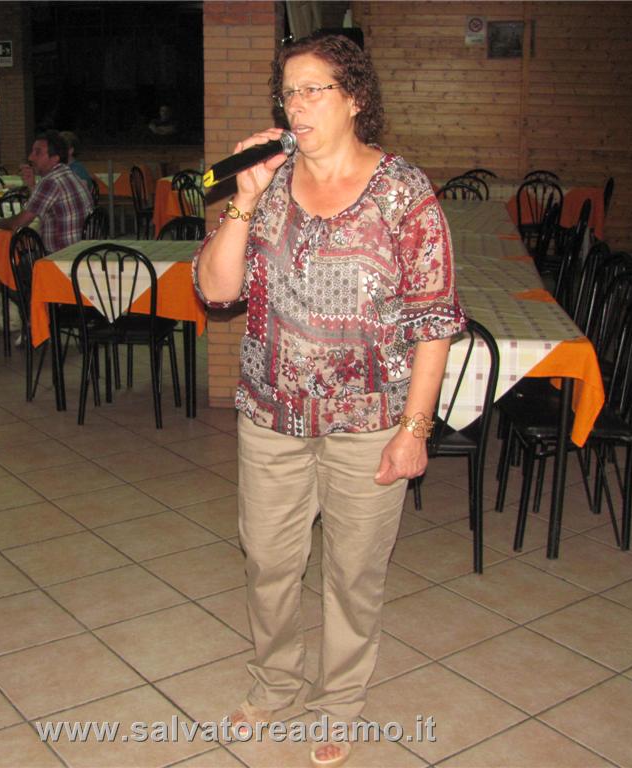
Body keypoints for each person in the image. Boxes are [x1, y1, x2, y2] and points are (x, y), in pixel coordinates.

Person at [193, 33, 464, 768]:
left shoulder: (404, 193)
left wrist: (415, 430)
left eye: (315, 89)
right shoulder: (269, 184)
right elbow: (215, 290)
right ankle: (275, 683)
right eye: (289, 92)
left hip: (370, 422)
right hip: (271, 416)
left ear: (355, 99)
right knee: (268, 563)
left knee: (353, 573)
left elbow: (434, 322)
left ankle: (340, 703)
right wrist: (244, 200)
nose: (298, 105)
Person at [0, 130, 92, 252]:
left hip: (60, 255)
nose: (30, 157)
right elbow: (44, 207)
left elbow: (18, 223)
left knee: (0, 251)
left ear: (55, 158)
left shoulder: (50, 182)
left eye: (37, 153)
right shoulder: (69, 174)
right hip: (83, 251)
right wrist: (32, 186)